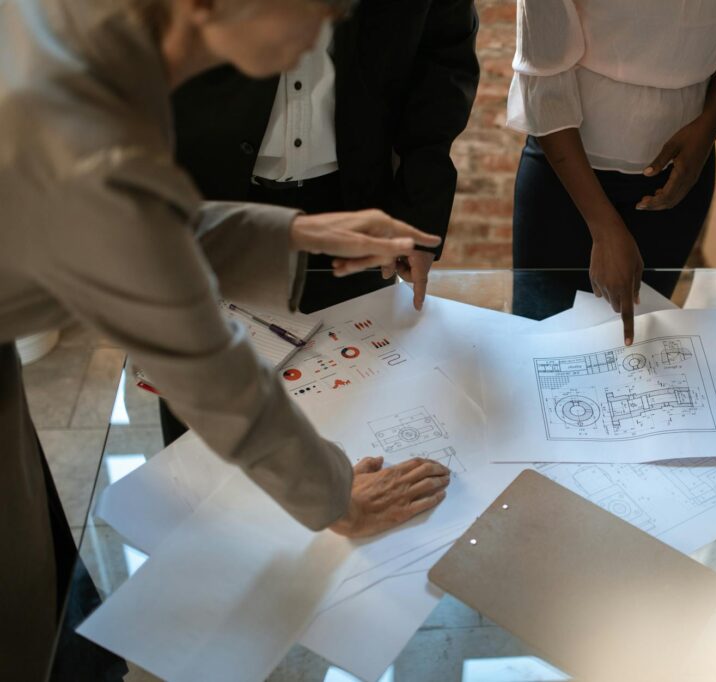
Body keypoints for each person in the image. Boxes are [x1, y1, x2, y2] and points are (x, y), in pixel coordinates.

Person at [0, 1, 452, 678]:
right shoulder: (83, 136)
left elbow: (143, 222)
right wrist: (338, 500)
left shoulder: (94, 31)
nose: (325, 37)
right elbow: (212, 372)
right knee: (25, 627)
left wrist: (294, 233)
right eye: (314, 10)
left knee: (55, 603)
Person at [161, 0, 478, 445]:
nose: (314, 49)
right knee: (201, 437)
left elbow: (442, 63)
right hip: (206, 191)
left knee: (354, 403)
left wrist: (416, 209)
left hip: (352, 206)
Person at [507, 0, 716, 343]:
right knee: (543, 349)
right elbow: (544, 79)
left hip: (678, 182)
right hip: (568, 183)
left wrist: (710, 125)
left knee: (642, 353)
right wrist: (604, 230)